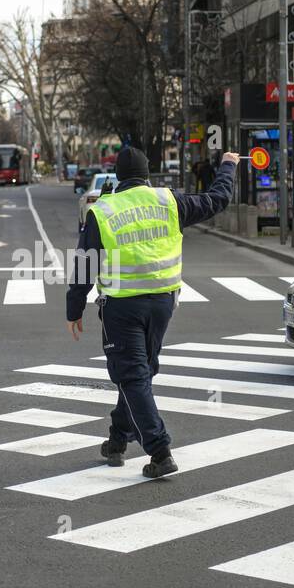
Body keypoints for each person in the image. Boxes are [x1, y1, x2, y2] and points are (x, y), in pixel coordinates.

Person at [66, 145, 240, 478]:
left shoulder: (103, 210)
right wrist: (229, 165)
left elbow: (85, 264)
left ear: (118, 177)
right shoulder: (169, 201)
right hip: (163, 303)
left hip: (122, 305)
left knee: (132, 375)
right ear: (147, 174)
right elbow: (217, 199)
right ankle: (117, 441)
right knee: (138, 373)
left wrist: (74, 308)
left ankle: (160, 451)